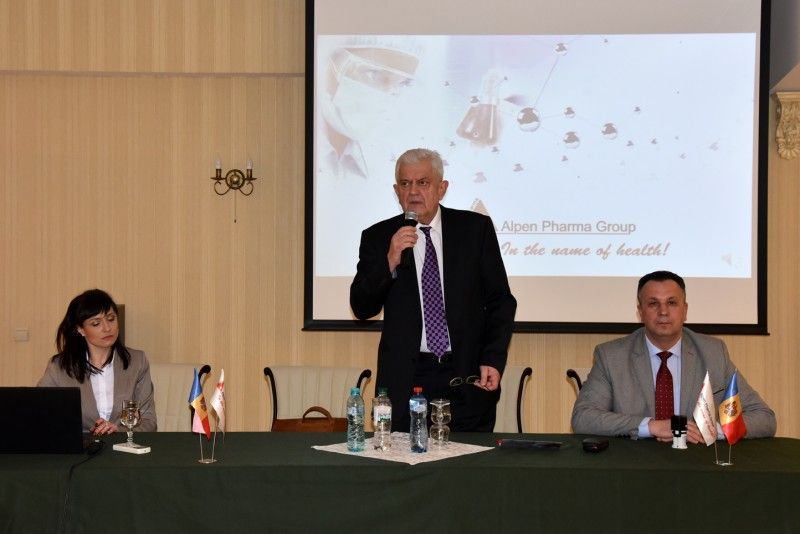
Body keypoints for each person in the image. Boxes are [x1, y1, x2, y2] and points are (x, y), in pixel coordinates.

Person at [350, 148, 517, 432]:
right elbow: (362, 307)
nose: (413, 191)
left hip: (465, 376)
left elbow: (501, 301)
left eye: (423, 182)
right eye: (405, 183)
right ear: (396, 191)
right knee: (403, 457)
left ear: (442, 188)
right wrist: (389, 260)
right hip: (407, 379)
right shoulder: (378, 237)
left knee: (468, 457)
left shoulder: (474, 230)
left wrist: (492, 358)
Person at [571, 271, 776, 442]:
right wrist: (650, 426)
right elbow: (583, 417)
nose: (663, 311)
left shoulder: (713, 353)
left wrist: (712, 430)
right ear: (640, 311)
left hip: (696, 463)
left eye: (671, 302)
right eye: (653, 303)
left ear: (684, 310)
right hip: (635, 463)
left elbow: (763, 418)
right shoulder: (611, 356)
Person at [38, 289, 157, 435]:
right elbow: (39, 414)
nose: (107, 328)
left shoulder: (137, 361)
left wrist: (119, 430)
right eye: (96, 323)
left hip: (124, 444)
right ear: (80, 329)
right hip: (79, 446)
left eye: (111, 319)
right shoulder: (59, 367)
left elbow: (149, 422)